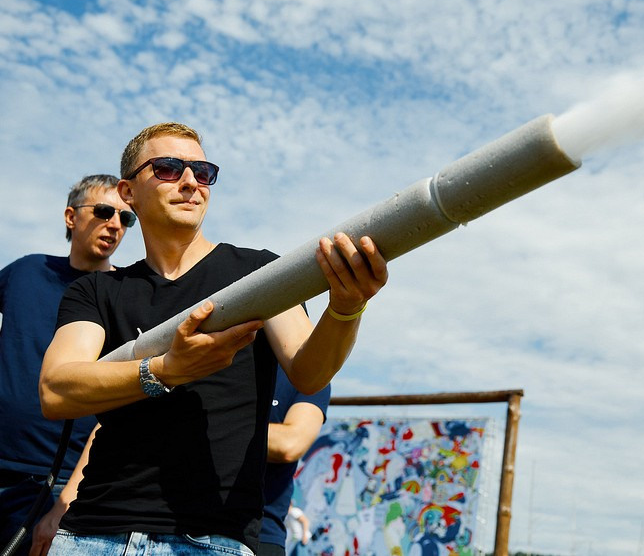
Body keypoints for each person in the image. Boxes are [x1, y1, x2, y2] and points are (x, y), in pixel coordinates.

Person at [38, 122, 388, 555]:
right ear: (128, 193)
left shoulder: (260, 274)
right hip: (92, 535)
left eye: (203, 172)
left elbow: (309, 371)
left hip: (211, 541)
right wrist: (165, 370)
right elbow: (56, 390)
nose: (190, 182)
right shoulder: (95, 291)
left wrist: (345, 309)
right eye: (167, 168)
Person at [0, 174, 134, 555]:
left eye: (126, 218)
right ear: (70, 217)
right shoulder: (25, 271)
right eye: (105, 211)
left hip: (56, 484)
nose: (115, 224)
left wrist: (65, 504)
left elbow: (120, 407)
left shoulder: (125, 296)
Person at [258, 368, 330, 556]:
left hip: (263, 534)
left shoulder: (308, 375)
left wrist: (207, 429)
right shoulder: (208, 354)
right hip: (178, 526)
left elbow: (290, 444)